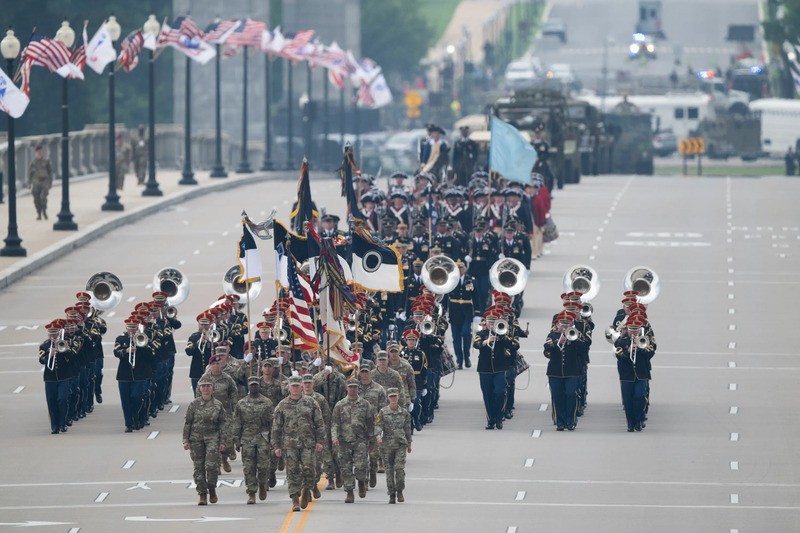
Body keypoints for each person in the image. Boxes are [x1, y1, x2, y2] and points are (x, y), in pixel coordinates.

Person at [272, 375, 325, 512]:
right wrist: (276, 446)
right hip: (289, 445)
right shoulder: (282, 405)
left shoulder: (311, 403)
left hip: (308, 443)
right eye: (292, 386)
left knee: (309, 469)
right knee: (292, 471)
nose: (295, 388)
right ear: (288, 388)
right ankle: (295, 498)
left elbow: (319, 424)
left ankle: (307, 489)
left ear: (301, 387)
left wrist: (320, 441)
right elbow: (276, 427)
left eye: (297, 385)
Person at [183, 376, 228, 506]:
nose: (206, 388)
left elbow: (222, 424)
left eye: (208, 386)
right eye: (203, 386)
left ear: (212, 388)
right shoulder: (194, 404)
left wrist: (223, 442)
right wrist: (185, 440)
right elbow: (188, 423)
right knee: (198, 467)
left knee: (211, 465)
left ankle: (212, 488)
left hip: (212, 438)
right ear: (199, 388)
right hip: (196, 438)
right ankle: (202, 494)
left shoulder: (218, 405)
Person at [331, 377, 376, 503]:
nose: (352, 389)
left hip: (360, 440)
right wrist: (334, 437)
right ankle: (349, 492)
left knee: (361, 465)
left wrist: (372, 440)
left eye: (355, 387)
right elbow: (334, 423)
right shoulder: (340, 405)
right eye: (350, 387)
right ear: (346, 388)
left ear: (358, 388)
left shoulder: (365, 404)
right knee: (345, 468)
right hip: (344, 441)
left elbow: (370, 423)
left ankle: (361, 482)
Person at [233, 376, 274, 504]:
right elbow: (237, 422)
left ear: (259, 386)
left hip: (263, 437)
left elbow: (272, 422)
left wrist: (273, 440)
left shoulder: (267, 402)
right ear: (248, 387)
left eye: (256, 385)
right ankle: (251, 492)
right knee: (249, 467)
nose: (254, 387)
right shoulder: (241, 403)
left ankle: (262, 483)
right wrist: (237, 440)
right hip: (247, 438)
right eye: (251, 385)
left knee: (263, 466)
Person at [473, 310, 515, 429]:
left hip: (499, 369)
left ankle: (499, 417)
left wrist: (501, 337)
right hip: (484, 369)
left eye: (493, 321)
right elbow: (476, 345)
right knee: (488, 395)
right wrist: (487, 341)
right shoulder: (481, 334)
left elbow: (511, 347)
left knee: (500, 393)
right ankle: (491, 420)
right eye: (489, 321)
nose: (491, 323)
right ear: (485, 322)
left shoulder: (502, 334)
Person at [543, 313, 583, 431]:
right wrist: (559, 342)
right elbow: (546, 347)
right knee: (557, 396)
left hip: (572, 372)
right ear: (557, 324)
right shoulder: (552, 335)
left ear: (571, 325)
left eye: (567, 324)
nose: (565, 327)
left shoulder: (576, 335)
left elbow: (583, 350)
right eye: (562, 324)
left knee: (571, 394)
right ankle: (560, 421)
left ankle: (570, 420)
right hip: (555, 372)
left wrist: (574, 340)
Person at [376, 388, 412, 504]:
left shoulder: (404, 413)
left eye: (395, 396)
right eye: (391, 397)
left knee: (399, 468)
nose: (393, 399)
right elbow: (378, 425)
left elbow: (407, 429)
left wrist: (409, 443)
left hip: (400, 444)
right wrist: (378, 436)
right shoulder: (382, 412)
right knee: (389, 471)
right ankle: (392, 493)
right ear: (388, 398)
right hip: (386, 445)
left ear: (398, 397)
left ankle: (400, 490)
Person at [39, 321, 73, 434]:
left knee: (62, 399)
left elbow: (70, 357)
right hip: (50, 378)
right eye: (51, 334)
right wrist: (51, 354)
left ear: (58, 333)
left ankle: (63, 423)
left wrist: (62, 350)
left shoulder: (64, 343)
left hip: (64, 377)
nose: (53, 336)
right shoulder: (44, 346)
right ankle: (55, 426)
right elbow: (41, 360)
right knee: (52, 402)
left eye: (55, 334)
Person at [448, 260, 475, 369]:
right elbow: (446, 297)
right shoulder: (451, 280)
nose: (459, 270)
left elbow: (476, 296)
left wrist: (477, 313)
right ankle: (459, 359)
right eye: (457, 268)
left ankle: (466, 356)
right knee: (456, 338)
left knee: (466, 334)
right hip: (454, 312)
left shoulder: (470, 280)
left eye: (461, 268)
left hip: (466, 312)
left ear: (464, 268)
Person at [28, 144, 53, 221]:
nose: (40, 152)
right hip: (36, 182)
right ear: (36, 152)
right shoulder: (33, 162)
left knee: (43, 197)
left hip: (44, 182)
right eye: (38, 151)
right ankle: (39, 213)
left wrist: (50, 182)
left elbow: (50, 172)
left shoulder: (46, 161)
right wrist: (29, 183)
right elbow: (30, 173)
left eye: (41, 151)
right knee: (36, 199)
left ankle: (44, 212)